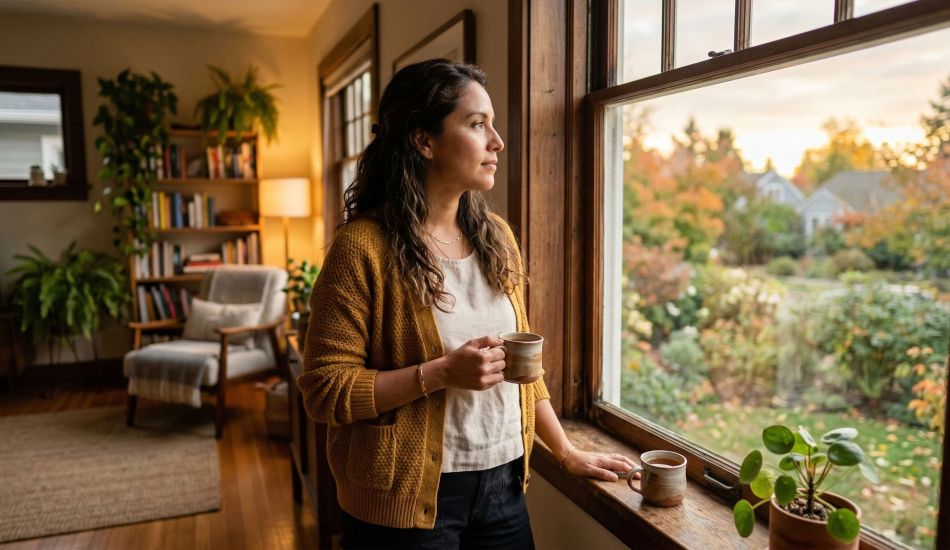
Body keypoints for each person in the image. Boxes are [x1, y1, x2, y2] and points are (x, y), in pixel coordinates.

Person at [297, 59, 635, 549]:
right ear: (424, 140)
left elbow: (524, 367)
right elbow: (324, 390)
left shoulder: (496, 237)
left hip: (503, 487)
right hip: (401, 504)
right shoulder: (362, 248)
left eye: (492, 125)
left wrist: (565, 451)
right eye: (477, 124)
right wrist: (439, 374)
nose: (497, 141)